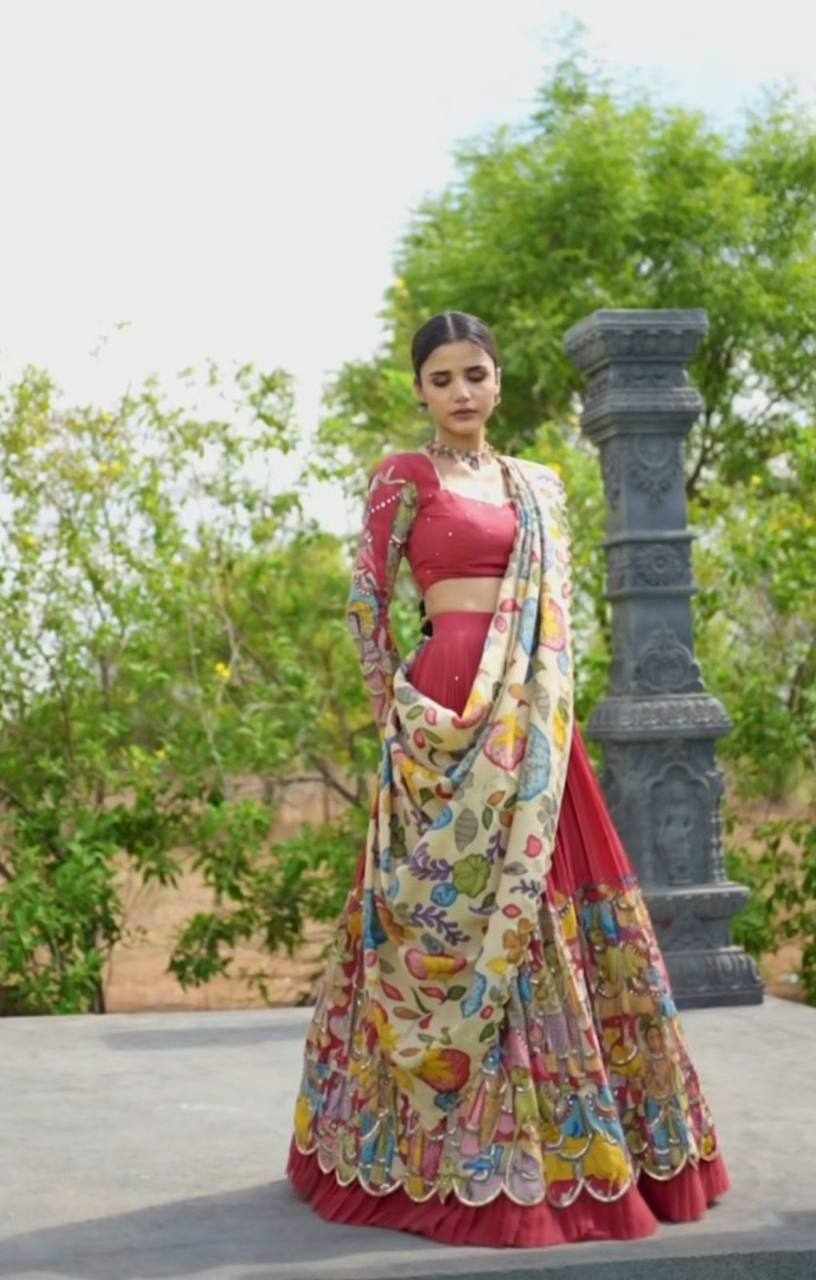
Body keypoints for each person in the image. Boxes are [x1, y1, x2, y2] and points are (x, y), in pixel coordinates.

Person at [286, 310, 730, 1248]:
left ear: (498, 382)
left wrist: (543, 705)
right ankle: (424, 1153)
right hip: (441, 708)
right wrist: (398, 716)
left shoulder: (538, 485)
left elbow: (555, 616)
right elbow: (367, 602)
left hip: (532, 717)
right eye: (441, 378)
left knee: (542, 893)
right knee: (438, 907)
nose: (461, 392)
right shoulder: (402, 479)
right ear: (420, 390)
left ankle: (582, 1153)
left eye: (475, 374)